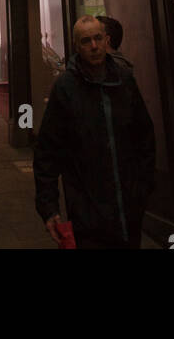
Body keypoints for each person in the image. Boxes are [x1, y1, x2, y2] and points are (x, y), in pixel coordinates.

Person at [33, 15, 155, 249]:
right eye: (86, 41)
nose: (94, 46)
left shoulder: (124, 80)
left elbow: (144, 136)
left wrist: (143, 186)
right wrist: (49, 207)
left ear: (107, 40)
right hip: (88, 212)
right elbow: (47, 151)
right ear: (77, 46)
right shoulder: (65, 88)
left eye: (98, 38)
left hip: (128, 207)